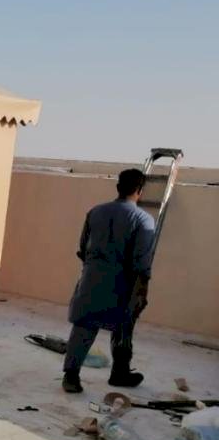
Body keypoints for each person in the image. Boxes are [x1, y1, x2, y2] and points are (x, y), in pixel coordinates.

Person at [61, 168, 155, 393]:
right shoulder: (143, 219)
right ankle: (120, 373)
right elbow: (142, 260)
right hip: (123, 283)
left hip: (91, 278)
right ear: (139, 190)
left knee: (84, 326)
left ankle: (71, 376)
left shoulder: (95, 212)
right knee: (124, 326)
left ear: (118, 187)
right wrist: (142, 290)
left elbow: (83, 247)